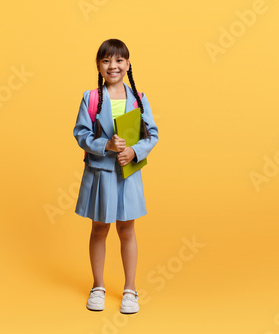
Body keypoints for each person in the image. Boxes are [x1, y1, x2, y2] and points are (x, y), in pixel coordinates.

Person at [73, 39, 159, 314]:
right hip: (101, 174)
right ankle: (98, 286)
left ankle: (130, 290)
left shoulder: (139, 98)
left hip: (128, 174)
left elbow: (152, 134)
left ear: (128, 64)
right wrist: (105, 145)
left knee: (127, 229)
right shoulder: (92, 97)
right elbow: (81, 133)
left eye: (119, 60)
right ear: (99, 66)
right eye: (107, 60)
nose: (113, 66)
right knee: (99, 228)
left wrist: (134, 151)